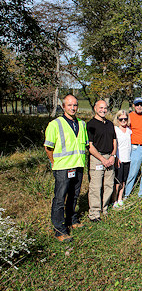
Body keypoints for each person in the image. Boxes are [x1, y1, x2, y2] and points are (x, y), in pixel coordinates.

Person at [44, 95, 89, 242]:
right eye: (69, 105)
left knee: (74, 195)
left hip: (78, 164)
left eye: (75, 105)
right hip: (63, 166)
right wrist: (53, 162)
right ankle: (59, 230)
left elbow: (85, 144)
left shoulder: (82, 124)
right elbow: (48, 147)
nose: (73, 108)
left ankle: (72, 220)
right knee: (60, 198)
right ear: (64, 106)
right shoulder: (55, 124)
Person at [87, 100, 117, 222]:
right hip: (97, 159)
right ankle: (94, 213)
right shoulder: (90, 125)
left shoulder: (110, 124)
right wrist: (102, 159)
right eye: (100, 108)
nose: (103, 110)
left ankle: (104, 209)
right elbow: (90, 146)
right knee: (96, 186)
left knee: (109, 185)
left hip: (109, 158)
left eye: (105, 108)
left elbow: (114, 141)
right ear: (95, 108)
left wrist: (112, 156)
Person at [124, 97, 142, 198]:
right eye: (137, 105)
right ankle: (126, 194)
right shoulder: (129, 116)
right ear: (133, 106)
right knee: (132, 173)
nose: (139, 107)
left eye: (141, 105)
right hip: (136, 148)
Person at [113, 110, 132, 208]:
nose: (123, 121)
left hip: (128, 158)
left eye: (125, 119)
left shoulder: (129, 130)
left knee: (124, 180)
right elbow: (114, 145)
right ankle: (114, 199)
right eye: (121, 119)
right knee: (117, 181)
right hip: (119, 159)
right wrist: (116, 158)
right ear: (117, 119)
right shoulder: (115, 130)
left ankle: (120, 198)